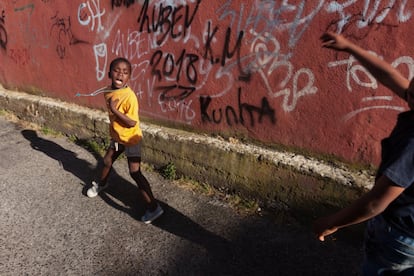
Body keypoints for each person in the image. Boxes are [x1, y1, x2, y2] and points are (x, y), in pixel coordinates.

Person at [314, 32, 414, 275]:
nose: (407, 88)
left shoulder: (412, 143)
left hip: (399, 237)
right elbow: (390, 76)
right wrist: (351, 48)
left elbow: (376, 202)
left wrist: (333, 222)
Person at [86, 57, 163, 224]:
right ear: (109, 73)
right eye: (116, 70)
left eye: (125, 72)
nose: (120, 74)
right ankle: (102, 184)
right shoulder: (108, 91)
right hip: (117, 138)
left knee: (135, 172)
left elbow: (132, 122)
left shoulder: (129, 97)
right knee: (107, 160)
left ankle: (153, 207)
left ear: (129, 77)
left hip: (131, 138)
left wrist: (114, 109)